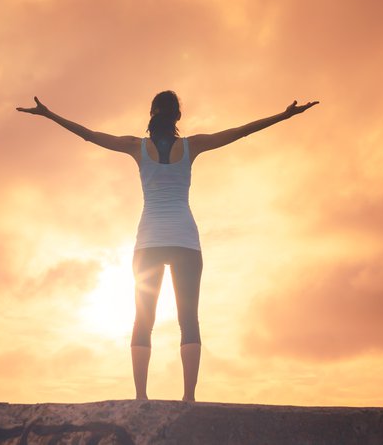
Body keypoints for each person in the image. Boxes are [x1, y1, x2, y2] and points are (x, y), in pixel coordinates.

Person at [17, 91, 318, 402]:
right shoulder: (192, 145)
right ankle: (189, 398)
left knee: (142, 320)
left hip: (148, 242)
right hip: (185, 241)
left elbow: (90, 136)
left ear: (151, 114)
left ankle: (141, 398)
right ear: (177, 117)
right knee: (189, 319)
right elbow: (240, 132)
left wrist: (50, 115)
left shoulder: (136, 146)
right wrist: (284, 116)